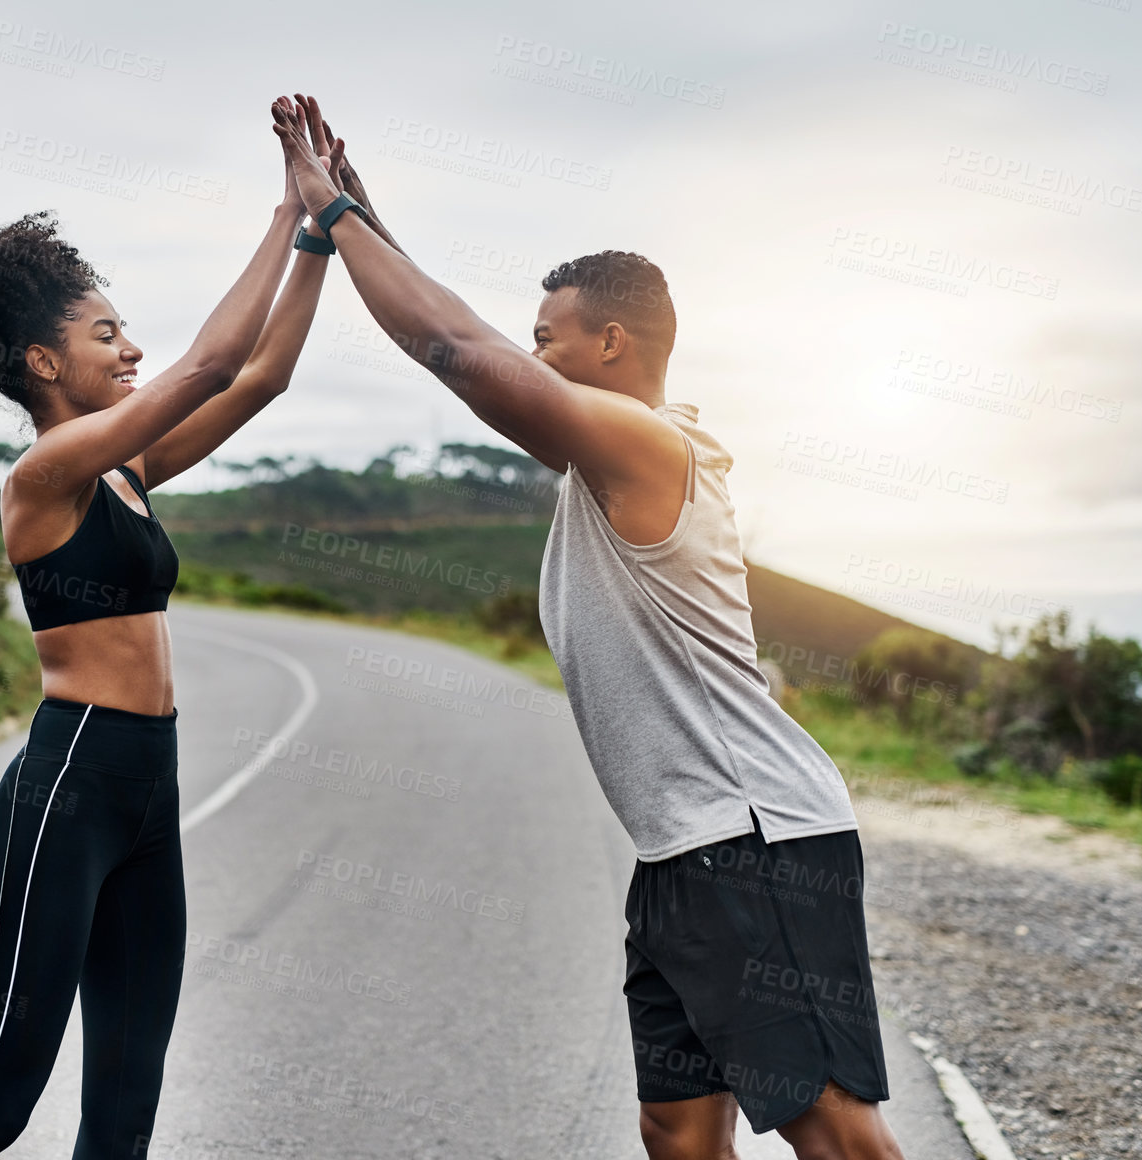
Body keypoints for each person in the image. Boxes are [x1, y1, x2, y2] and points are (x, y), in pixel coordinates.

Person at [269, 94, 907, 1160]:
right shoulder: (604, 455)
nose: (531, 358)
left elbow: (454, 347)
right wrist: (363, 210)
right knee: (675, 1123)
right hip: (679, 853)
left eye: (547, 341)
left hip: (754, 842)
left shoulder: (646, 448)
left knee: (832, 1126)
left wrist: (330, 214)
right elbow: (459, 331)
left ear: (611, 343)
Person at [0, 101, 342, 1160]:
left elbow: (260, 375)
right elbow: (205, 365)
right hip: (70, 786)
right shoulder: (42, 477)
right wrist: (289, 204)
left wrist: (323, 235)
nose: (132, 347)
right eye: (106, 333)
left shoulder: (126, 472)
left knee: (125, 1110)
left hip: (149, 786)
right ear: (45, 364)